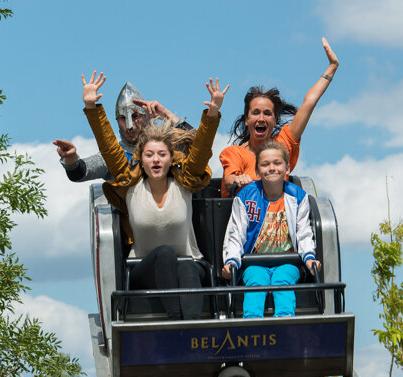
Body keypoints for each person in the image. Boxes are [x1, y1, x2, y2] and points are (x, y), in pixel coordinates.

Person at [82, 70, 228, 320]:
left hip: (190, 268)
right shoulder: (130, 182)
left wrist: (212, 113)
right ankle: (173, 323)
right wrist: (92, 107)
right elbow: (108, 146)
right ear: (141, 158)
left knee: (187, 267)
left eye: (162, 154)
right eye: (149, 155)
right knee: (165, 254)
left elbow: (201, 149)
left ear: (172, 158)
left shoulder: (184, 181)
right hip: (143, 269)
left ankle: (190, 330)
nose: (156, 160)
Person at [219, 37, 339, 198]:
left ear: (275, 120)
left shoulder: (282, 143)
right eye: (255, 113)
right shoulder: (235, 153)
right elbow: (229, 179)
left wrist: (332, 68)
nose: (261, 118)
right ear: (247, 120)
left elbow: (309, 103)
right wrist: (238, 179)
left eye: (267, 113)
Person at [221, 140, 321, 318]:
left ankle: (284, 320)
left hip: (287, 261)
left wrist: (309, 257)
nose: (272, 168)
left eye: (277, 163)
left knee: (282, 280)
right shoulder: (245, 197)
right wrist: (232, 262)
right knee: (256, 281)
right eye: (265, 164)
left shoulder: (298, 197)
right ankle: (252, 323)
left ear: (287, 168)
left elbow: (304, 232)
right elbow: (236, 234)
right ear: (257, 171)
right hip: (255, 262)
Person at [53, 82, 191, 182]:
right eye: (123, 118)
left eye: (135, 116)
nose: (130, 126)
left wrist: (165, 113)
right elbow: (79, 173)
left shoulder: (165, 149)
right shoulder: (112, 156)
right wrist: (70, 159)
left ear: (147, 117)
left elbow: (198, 146)